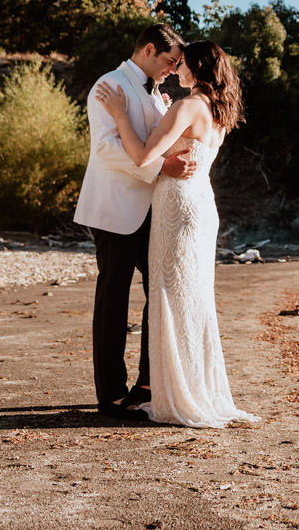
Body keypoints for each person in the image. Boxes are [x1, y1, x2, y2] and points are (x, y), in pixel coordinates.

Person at [95, 39, 258, 428]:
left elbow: (140, 157)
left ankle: (173, 392)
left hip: (176, 207)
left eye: (182, 64)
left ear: (196, 69)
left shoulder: (186, 106)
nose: (176, 69)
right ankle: (189, 387)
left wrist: (119, 114)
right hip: (202, 205)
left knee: (169, 294)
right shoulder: (218, 112)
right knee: (191, 296)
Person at [74, 23, 197, 422]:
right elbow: (107, 149)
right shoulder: (108, 86)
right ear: (148, 50)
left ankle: (146, 384)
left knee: (160, 291)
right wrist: (163, 167)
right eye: (169, 61)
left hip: (151, 212)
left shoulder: (156, 93)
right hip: (115, 211)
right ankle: (110, 394)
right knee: (113, 301)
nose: (172, 69)